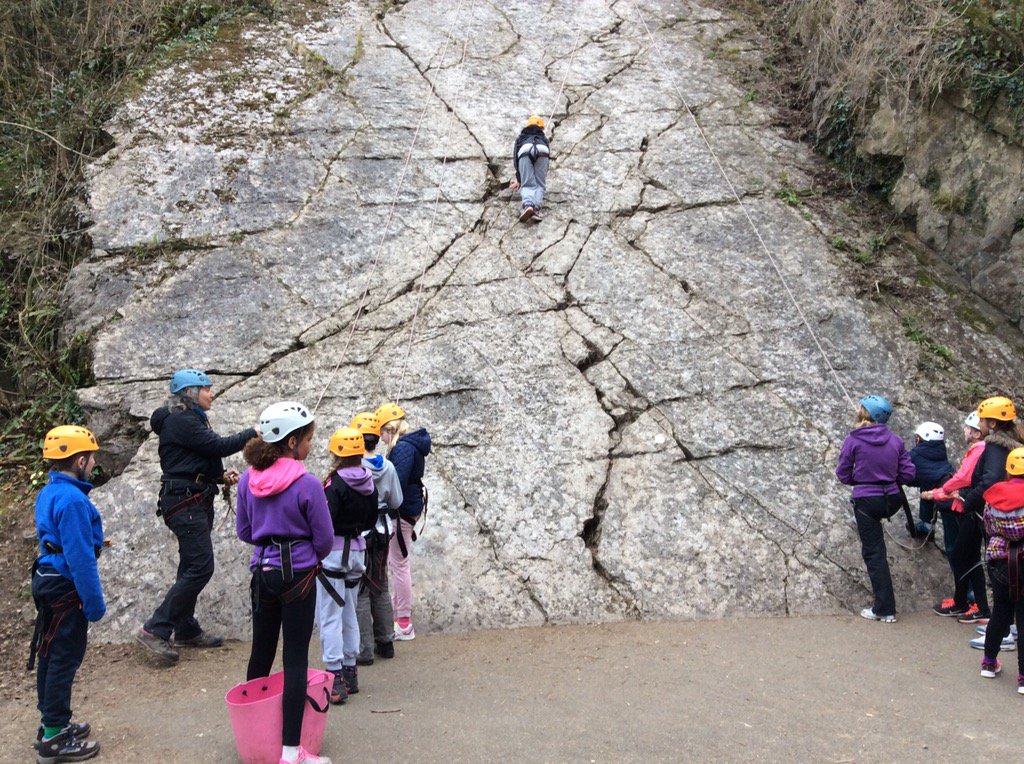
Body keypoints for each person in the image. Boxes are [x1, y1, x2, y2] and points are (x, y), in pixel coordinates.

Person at [236, 401, 334, 764]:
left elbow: (245, 531)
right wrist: (309, 555)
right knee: (294, 659)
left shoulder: (248, 479)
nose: (311, 445)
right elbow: (324, 538)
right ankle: (291, 753)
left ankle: (253, 740)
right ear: (292, 442)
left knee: (260, 653)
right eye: (308, 439)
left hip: (263, 573)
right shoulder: (307, 483)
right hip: (299, 577)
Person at [137, 369, 257, 663]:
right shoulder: (181, 420)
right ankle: (155, 629)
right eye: (206, 389)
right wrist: (251, 434)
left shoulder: (188, 419)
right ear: (190, 393)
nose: (211, 393)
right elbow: (216, 446)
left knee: (191, 565)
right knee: (201, 567)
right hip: (185, 502)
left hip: (190, 498)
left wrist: (218, 477)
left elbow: (194, 459)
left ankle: (185, 627)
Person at [30, 425, 105, 763]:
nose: (93, 465)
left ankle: (51, 722)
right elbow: (79, 558)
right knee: (63, 656)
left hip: (47, 576)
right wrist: (94, 602)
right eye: (90, 459)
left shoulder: (50, 490)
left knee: (50, 653)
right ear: (79, 460)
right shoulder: (73, 499)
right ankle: (54, 737)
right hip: (64, 583)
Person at [936, 396, 1024, 622]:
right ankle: (1000, 619)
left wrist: (968, 501)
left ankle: (996, 620)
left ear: (993, 424)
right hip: (1013, 511)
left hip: (990, 510)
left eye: (983, 420)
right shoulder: (1016, 441)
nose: (980, 423)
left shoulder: (996, 445)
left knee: (993, 565)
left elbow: (990, 479)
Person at [835, 395, 916, 623]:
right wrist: (889, 479)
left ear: (865, 412)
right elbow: (908, 474)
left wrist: (861, 481)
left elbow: (842, 473)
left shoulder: (853, 440)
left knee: (874, 552)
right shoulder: (896, 440)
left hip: (867, 501)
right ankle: (884, 608)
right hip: (892, 500)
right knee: (876, 550)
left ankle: (884, 608)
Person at [318, 427, 379, 703]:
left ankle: (335, 675)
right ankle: (350, 670)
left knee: (330, 614)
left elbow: (325, 520)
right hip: (357, 552)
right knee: (350, 611)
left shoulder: (335, 483)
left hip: (334, 552)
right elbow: (370, 520)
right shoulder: (368, 480)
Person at [351, 412, 403, 666]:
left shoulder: (352, 468)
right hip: (382, 531)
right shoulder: (388, 466)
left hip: (360, 533)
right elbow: (397, 501)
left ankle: (365, 649)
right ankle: (386, 641)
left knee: (361, 590)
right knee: (380, 585)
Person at [377, 401, 431, 640]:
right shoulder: (407, 445)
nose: (382, 440)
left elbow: (396, 481)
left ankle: (404, 622)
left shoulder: (403, 448)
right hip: (408, 507)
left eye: (383, 434)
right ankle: (399, 618)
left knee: (399, 564)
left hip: (402, 510)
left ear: (390, 429)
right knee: (397, 563)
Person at [922, 411, 986, 607]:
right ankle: (966, 601)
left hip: (971, 510)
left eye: (967, 428)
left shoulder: (979, 450)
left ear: (976, 433)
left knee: (963, 556)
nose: (964, 431)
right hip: (968, 507)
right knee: (967, 556)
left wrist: (936, 493)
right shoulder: (981, 449)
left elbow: (962, 479)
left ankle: (971, 603)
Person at [979, 447, 1024, 687]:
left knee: (1000, 612)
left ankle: (988, 662)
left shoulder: (994, 495)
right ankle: (1023, 678)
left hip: (1000, 559)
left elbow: (988, 526)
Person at [907, 421, 953, 538]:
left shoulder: (915, 454)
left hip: (945, 497)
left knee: (952, 539)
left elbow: (907, 476)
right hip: (949, 489)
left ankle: (926, 527)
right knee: (926, 486)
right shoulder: (940, 451)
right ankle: (926, 526)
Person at [509, 115, 552, 223]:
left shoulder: (521, 138)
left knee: (528, 183)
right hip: (543, 150)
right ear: (541, 128)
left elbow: (516, 159)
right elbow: (546, 162)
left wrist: (519, 179)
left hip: (525, 149)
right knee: (539, 184)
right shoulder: (544, 139)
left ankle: (528, 205)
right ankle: (536, 209)